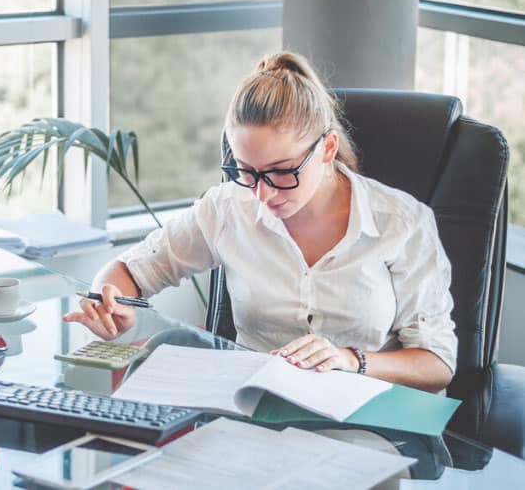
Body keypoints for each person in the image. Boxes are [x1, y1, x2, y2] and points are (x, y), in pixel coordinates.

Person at [63, 51, 457, 393]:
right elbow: (128, 271)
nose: (263, 195)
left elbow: (437, 365)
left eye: (282, 172)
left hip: (369, 419)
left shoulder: (400, 223)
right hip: (255, 410)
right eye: (245, 170)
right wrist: (106, 303)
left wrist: (350, 359)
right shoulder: (228, 207)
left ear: (327, 148)